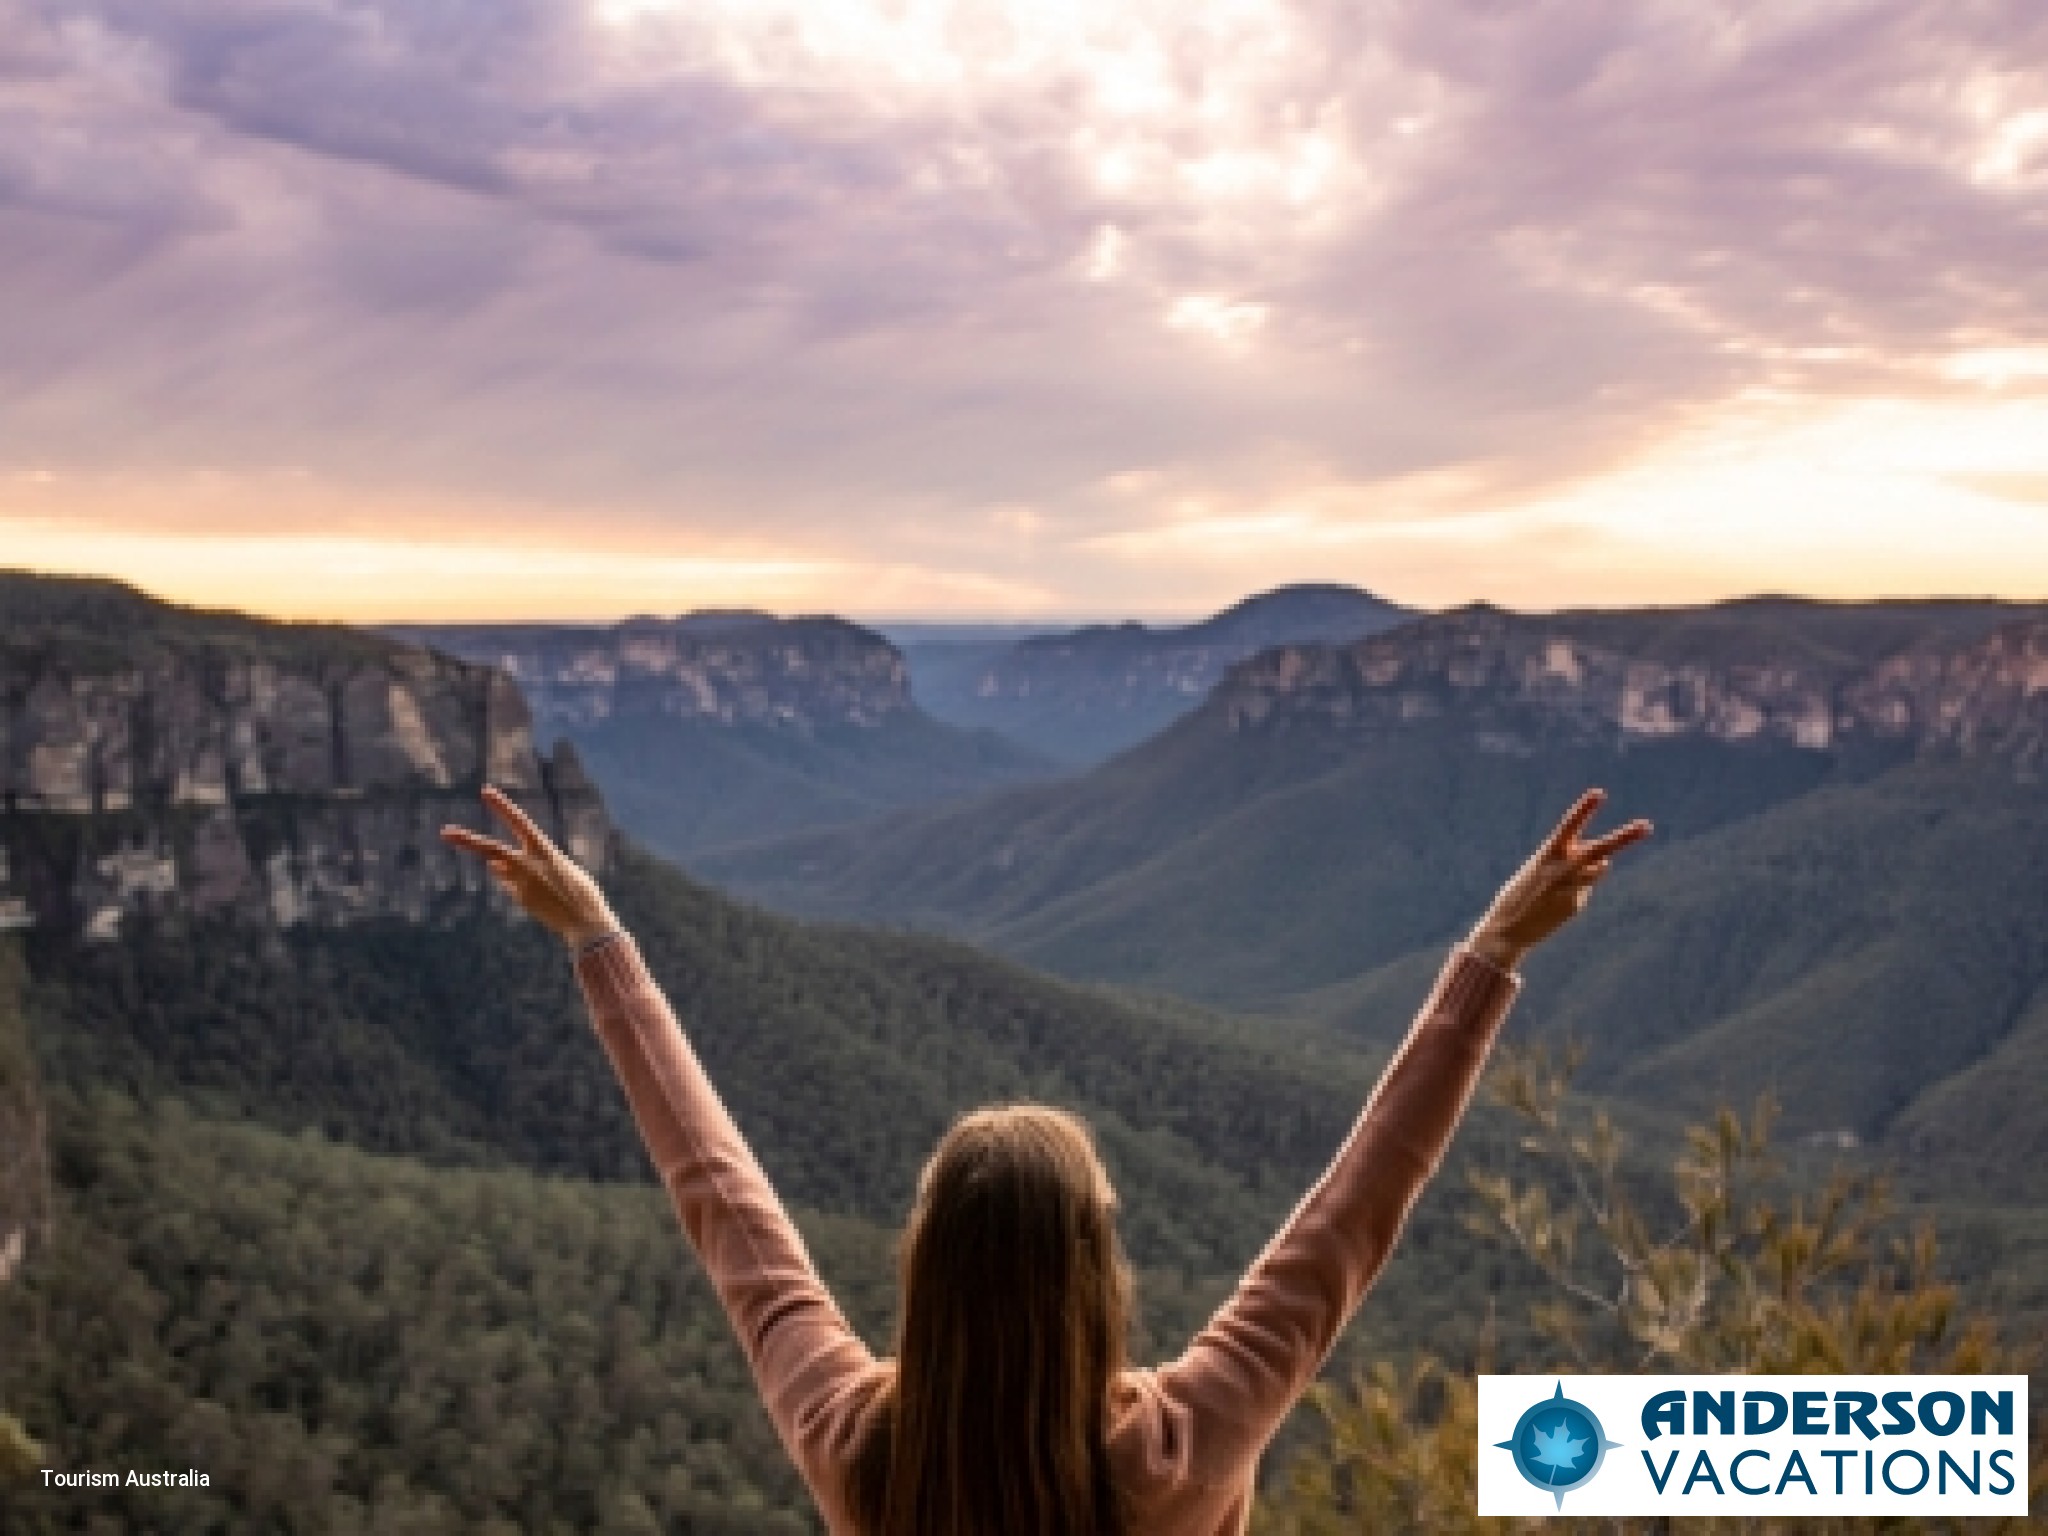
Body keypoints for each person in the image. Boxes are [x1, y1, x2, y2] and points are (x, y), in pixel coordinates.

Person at [444, 784, 1650, 1536]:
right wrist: (1489, 954)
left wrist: (602, 942)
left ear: (926, 1265)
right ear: (1091, 1270)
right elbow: (1355, 1210)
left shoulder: (860, 1452)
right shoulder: (1171, 1451)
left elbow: (726, 1207)